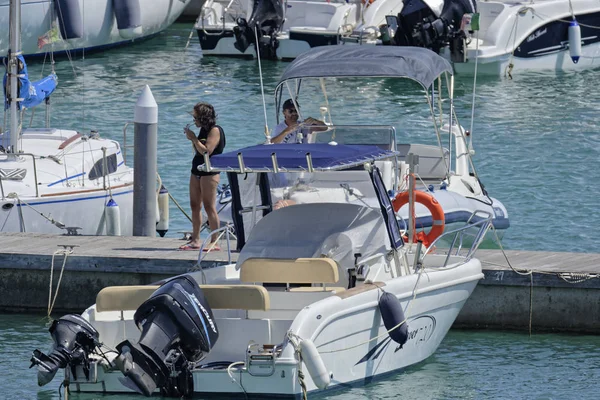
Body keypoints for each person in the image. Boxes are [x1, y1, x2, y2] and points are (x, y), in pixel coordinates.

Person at [179, 102, 226, 251]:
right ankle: (195, 239)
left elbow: (207, 151)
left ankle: (215, 241)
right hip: (197, 170)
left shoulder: (215, 130)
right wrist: (193, 139)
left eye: (196, 117)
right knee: (195, 205)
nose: (194, 120)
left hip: (209, 172)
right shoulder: (203, 130)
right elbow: (199, 151)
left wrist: (193, 139)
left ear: (203, 117)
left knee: (209, 206)